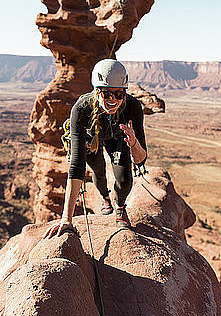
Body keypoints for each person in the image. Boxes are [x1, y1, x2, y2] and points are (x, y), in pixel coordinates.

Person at [43, 59, 147, 238]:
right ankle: (105, 198)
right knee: (98, 171)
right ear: (96, 91)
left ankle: (120, 206)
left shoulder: (132, 107)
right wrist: (66, 219)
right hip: (92, 139)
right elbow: (76, 166)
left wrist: (134, 143)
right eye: (107, 94)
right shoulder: (82, 109)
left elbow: (141, 159)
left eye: (118, 94)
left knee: (124, 180)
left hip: (118, 138)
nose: (113, 100)